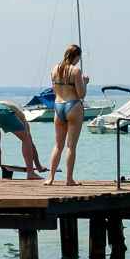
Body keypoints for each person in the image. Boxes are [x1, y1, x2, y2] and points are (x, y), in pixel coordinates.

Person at [44, 44, 88, 186]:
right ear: (76, 56)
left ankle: (50, 178)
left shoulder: (55, 69)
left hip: (58, 106)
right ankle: (69, 179)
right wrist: (85, 82)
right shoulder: (75, 71)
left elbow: (54, 89)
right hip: (73, 105)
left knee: (58, 145)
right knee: (71, 146)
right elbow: (81, 94)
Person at [0, 101, 44, 179]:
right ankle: (30, 173)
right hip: (1, 110)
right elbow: (30, 143)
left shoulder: (10, 108)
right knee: (26, 139)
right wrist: (38, 166)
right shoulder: (22, 117)